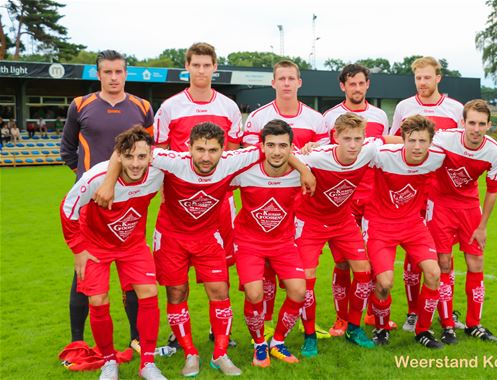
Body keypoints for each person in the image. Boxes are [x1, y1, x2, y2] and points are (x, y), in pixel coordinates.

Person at [95, 121, 314, 376]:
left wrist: (303, 170)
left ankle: (220, 354)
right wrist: (109, 182)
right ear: (188, 148)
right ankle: (190, 353)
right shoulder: (172, 160)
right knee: (177, 293)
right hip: (171, 236)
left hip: (208, 236)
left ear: (224, 150)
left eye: (213, 150)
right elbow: (125, 149)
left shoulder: (233, 160)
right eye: (200, 149)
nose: (206, 157)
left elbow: (276, 151)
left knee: (220, 291)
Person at [60, 49, 154, 353]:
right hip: (92, 204)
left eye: (119, 72)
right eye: (107, 72)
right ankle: (77, 340)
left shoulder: (142, 107)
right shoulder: (80, 105)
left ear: (126, 73)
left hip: (129, 201)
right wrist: (87, 181)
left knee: (133, 273)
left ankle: (136, 339)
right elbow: (68, 148)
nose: (114, 77)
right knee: (85, 271)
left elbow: (150, 148)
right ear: (98, 74)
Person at [152, 41, 242, 348]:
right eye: (196, 65)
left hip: (219, 204)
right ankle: (178, 336)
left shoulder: (228, 107)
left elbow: (233, 152)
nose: (201, 70)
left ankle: (218, 334)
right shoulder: (170, 107)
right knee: (176, 280)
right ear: (186, 68)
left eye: (207, 65)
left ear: (215, 68)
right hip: (179, 203)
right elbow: (160, 152)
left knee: (218, 276)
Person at [60, 127, 166, 380]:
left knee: (149, 293)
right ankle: (109, 363)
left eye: (142, 157)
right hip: (95, 246)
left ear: (151, 156)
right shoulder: (96, 178)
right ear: (119, 156)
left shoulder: (158, 172)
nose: (136, 163)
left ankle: (148, 364)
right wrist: (78, 249)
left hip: (133, 245)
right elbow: (67, 209)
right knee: (98, 301)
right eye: (129, 157)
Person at [242, 59, 330, 339]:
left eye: (292, 78)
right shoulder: (258, 117)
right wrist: (299, 160)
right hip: (264, 201)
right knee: (263, 272)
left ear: (299, 82)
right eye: (282, 78)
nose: (287, 83)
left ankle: (300, 323)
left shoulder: (315, 119)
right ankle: (264, 323)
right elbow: (256, 154)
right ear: (273, 83)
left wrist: (311, 155)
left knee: (299, 273)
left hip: (302, 206)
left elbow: (324, 156)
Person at [296, 113, 389, 357]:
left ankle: (354, 328)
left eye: (357, 138)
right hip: (311, 222)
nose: (352, 144)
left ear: (364, 139)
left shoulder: (368, 150)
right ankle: (309, 336)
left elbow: (391, 139)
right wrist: (304, 171)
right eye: (346, 138)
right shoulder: (318, 156)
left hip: (342, 220)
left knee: (364, 272)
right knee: (306, 280)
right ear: (335, 137)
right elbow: (289, 156)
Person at [389, 56, 465, 332]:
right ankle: (413, 313)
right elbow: (394, 141)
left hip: (444, 193)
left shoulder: (455, 109)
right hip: (413, 191)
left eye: (427, 77)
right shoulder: (404, 107)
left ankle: (447, 308)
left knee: (445, 254)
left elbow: (461, 146)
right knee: (413, 253)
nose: (422, 83)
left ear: (438, 78)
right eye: (418, 78)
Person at [426, 99, 497, 344]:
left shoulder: (494, 152)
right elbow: (414, 147)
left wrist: (483, 226)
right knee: (444, 264)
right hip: (440, 205)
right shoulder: (445, 138)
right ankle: (447, 324)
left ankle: (474, 324)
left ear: (489, 125)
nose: (476, 129)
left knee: (476, 262)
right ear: (463, 122)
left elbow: (492, 190)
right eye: (471, 122)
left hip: (470, 207)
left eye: (482, 124)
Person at [321, 64, 391, 335]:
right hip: (343, 199)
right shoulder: (329, 117)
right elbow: (324, 152)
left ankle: (373, 314)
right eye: (352, 84)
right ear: (343, 86)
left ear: (367, 85)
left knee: (370, 259)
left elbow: (383, 151)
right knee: (342, 261)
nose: (357, 88)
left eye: (361, 83)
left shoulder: (379, 116)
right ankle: (341, 318)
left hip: (373, 198)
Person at [364, 115, 446, 349]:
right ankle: (381, 328)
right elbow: (354, 150)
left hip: (412, 224)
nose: (417, 146)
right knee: (384, 283)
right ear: (402, 140)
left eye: (423, 141)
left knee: (433, 273)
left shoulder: (437, 157)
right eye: (412, 140)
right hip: (380, 224)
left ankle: (423, 330)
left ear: (431, 142)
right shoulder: (382, 156)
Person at [231, 120, 306, 367]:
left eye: (282, 145)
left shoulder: (299, 173)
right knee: (254, 294)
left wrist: (305, 170)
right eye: (271, 145)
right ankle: (259, 343)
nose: (276, 151)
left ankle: (278, 342)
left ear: (291, 148)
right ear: (261, 146)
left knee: (298, 291)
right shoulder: (245, 171)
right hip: (248, 242)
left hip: (283, 242)